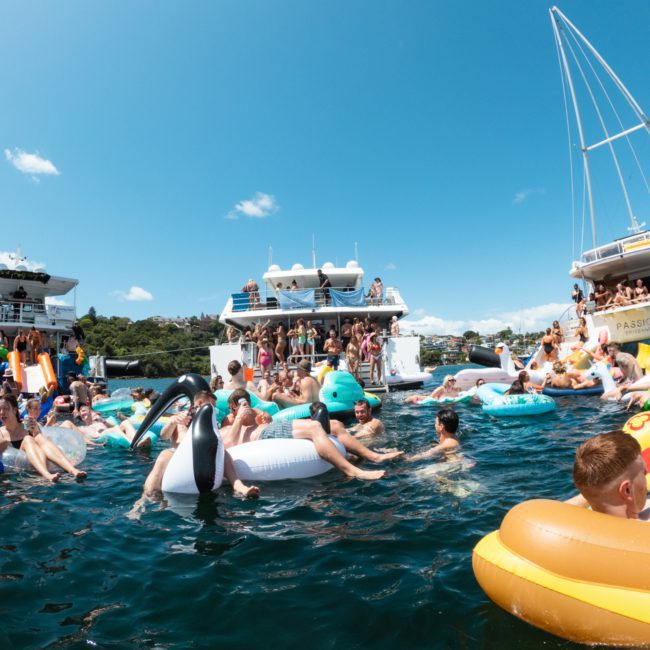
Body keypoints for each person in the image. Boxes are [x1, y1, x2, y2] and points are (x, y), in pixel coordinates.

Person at [221, 392, 402, 480]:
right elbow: (228, 444)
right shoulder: (228, 421)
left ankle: (372, 456)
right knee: (315, 426)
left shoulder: (252, 413)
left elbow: (260, 421)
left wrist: (261, 417)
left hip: (271, 429)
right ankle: (353, 471)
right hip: (266, 436)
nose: (241, 408)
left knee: (337, 424)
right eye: (236, 406)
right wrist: (238, 419)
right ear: (231, 408)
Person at [140, 390, 260, 499]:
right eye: (212, 405)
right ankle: (145, 498)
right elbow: (164, 435)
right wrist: (172, 422)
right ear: (200, 402)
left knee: (224, 453)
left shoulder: (211, 422)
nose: (214, 409)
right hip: (178, 454)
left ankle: (239, 487)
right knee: (163, 455)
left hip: (203, 455)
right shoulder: (182, 415)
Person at [0, 395, 87, 482]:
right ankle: (46, 474)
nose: (1, 412)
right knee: (27, 439)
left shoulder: (27, 425)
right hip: (17, 467)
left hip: (36, 463)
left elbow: (43, 445)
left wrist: (35, 430)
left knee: (38, 437)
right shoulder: (0, 432)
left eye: (5, 409)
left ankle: (72, 469)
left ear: (15, 410)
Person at [566, 431, 648, 520]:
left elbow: (553, 510)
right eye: (644, 472)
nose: (647, 472)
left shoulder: (570, 523)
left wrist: (593, 494)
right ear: (627, 490)